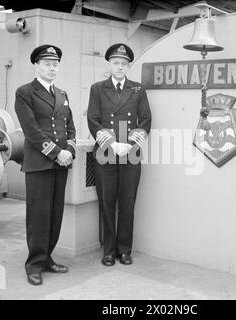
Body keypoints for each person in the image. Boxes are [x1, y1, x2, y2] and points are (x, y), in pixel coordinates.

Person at [14, 44, 76, 285]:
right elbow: (32, 131)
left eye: (55, 64)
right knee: (38, 216)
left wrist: (69, 150)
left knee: (55, 215)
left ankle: (47, 257)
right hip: (40, 163)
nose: (52, 67)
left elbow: (70, 127)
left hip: (61, 164)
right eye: (47, 64)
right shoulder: (25, 92)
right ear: (36, 66)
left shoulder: (62, 94)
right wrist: (57, 152)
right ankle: (33, 264)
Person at [87, 43, 151, 266]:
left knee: (127, 203)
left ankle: (124, 250)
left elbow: (145, 120)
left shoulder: (137, 89)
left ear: (128, 66)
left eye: (124, 64)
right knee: (106, 202)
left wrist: (130, 143)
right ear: (109, 64)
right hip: (106, 153)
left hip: (130, 154)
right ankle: (108, 250)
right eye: (116, 63)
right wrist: (113, 144)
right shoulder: (97, 88)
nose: (120, 67)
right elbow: (93, 120)